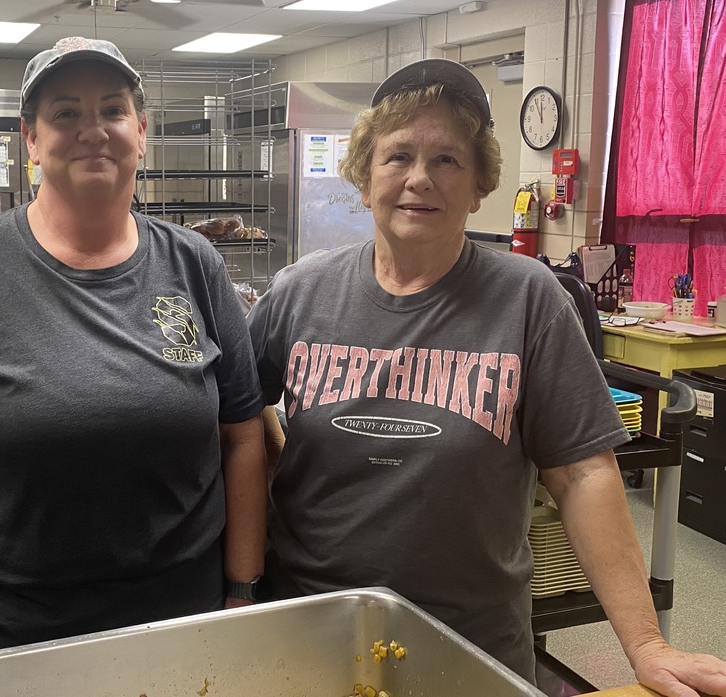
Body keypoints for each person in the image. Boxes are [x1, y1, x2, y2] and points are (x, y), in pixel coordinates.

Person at [247, 58, 726, 695]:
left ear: (479, 187)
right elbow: (240, 428)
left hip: (471, 643)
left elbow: (583, 473)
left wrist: (643, 644)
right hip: (309, 629)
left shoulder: (528, 300)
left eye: (447, 159)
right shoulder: (299, 293)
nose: (419, 178)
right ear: (364, 179)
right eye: (397, 157)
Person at [0, 36, 267, 696]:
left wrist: (243, 594)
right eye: (64, 113)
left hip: (183, 626)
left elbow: (243, 434)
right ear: (30, 137)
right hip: (16, 634)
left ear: (141, 132)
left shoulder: (196, 265)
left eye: (112, 110)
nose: (92, 131)